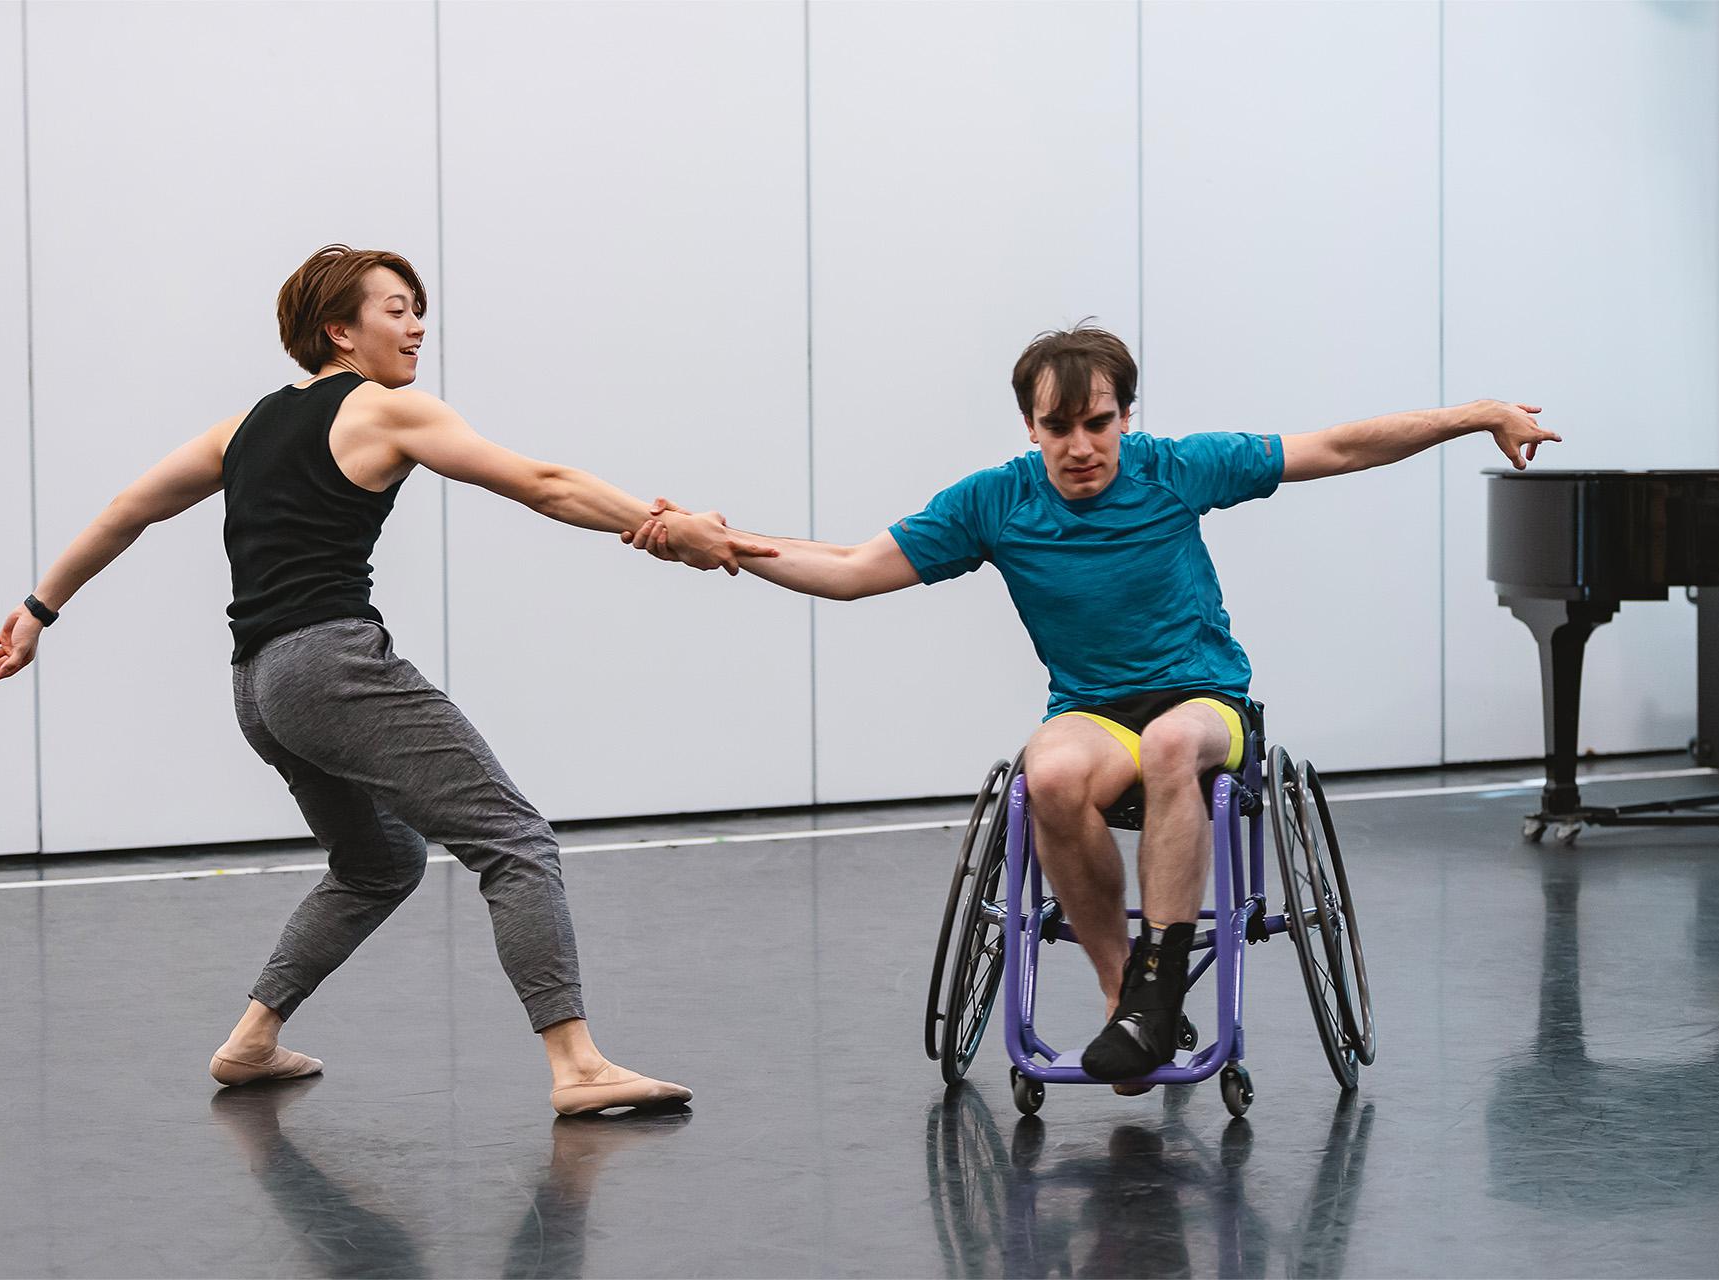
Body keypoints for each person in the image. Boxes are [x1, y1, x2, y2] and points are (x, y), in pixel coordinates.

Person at [627, 324, 1558, 1090]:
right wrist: (727, 542)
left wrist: (1475, 415)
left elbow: (1341, 446)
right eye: (1057, 428)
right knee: (1054, 770)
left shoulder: (1177, 469)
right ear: (1030, 428)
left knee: (1169, 742)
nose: (1080, 447)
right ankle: (1131, 1003)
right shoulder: (995, 502)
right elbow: (852, 569)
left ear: (1125, 416)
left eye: (1098, 424)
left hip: (1205, 701)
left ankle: (1155, 992)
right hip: (1093, 710)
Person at [0, 244, 765, 1115]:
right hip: (330, 664)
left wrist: (39, 608)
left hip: (259, 687)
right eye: (396, 309)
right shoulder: (386, 411)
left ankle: (250, 1041)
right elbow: (543, 484)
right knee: (515, 840)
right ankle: (577, 1066)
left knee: (380, 860)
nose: (417, 323)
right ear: (339, 331)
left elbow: (129, 509)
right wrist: (668, 526)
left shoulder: (241, 428)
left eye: (417, 307)